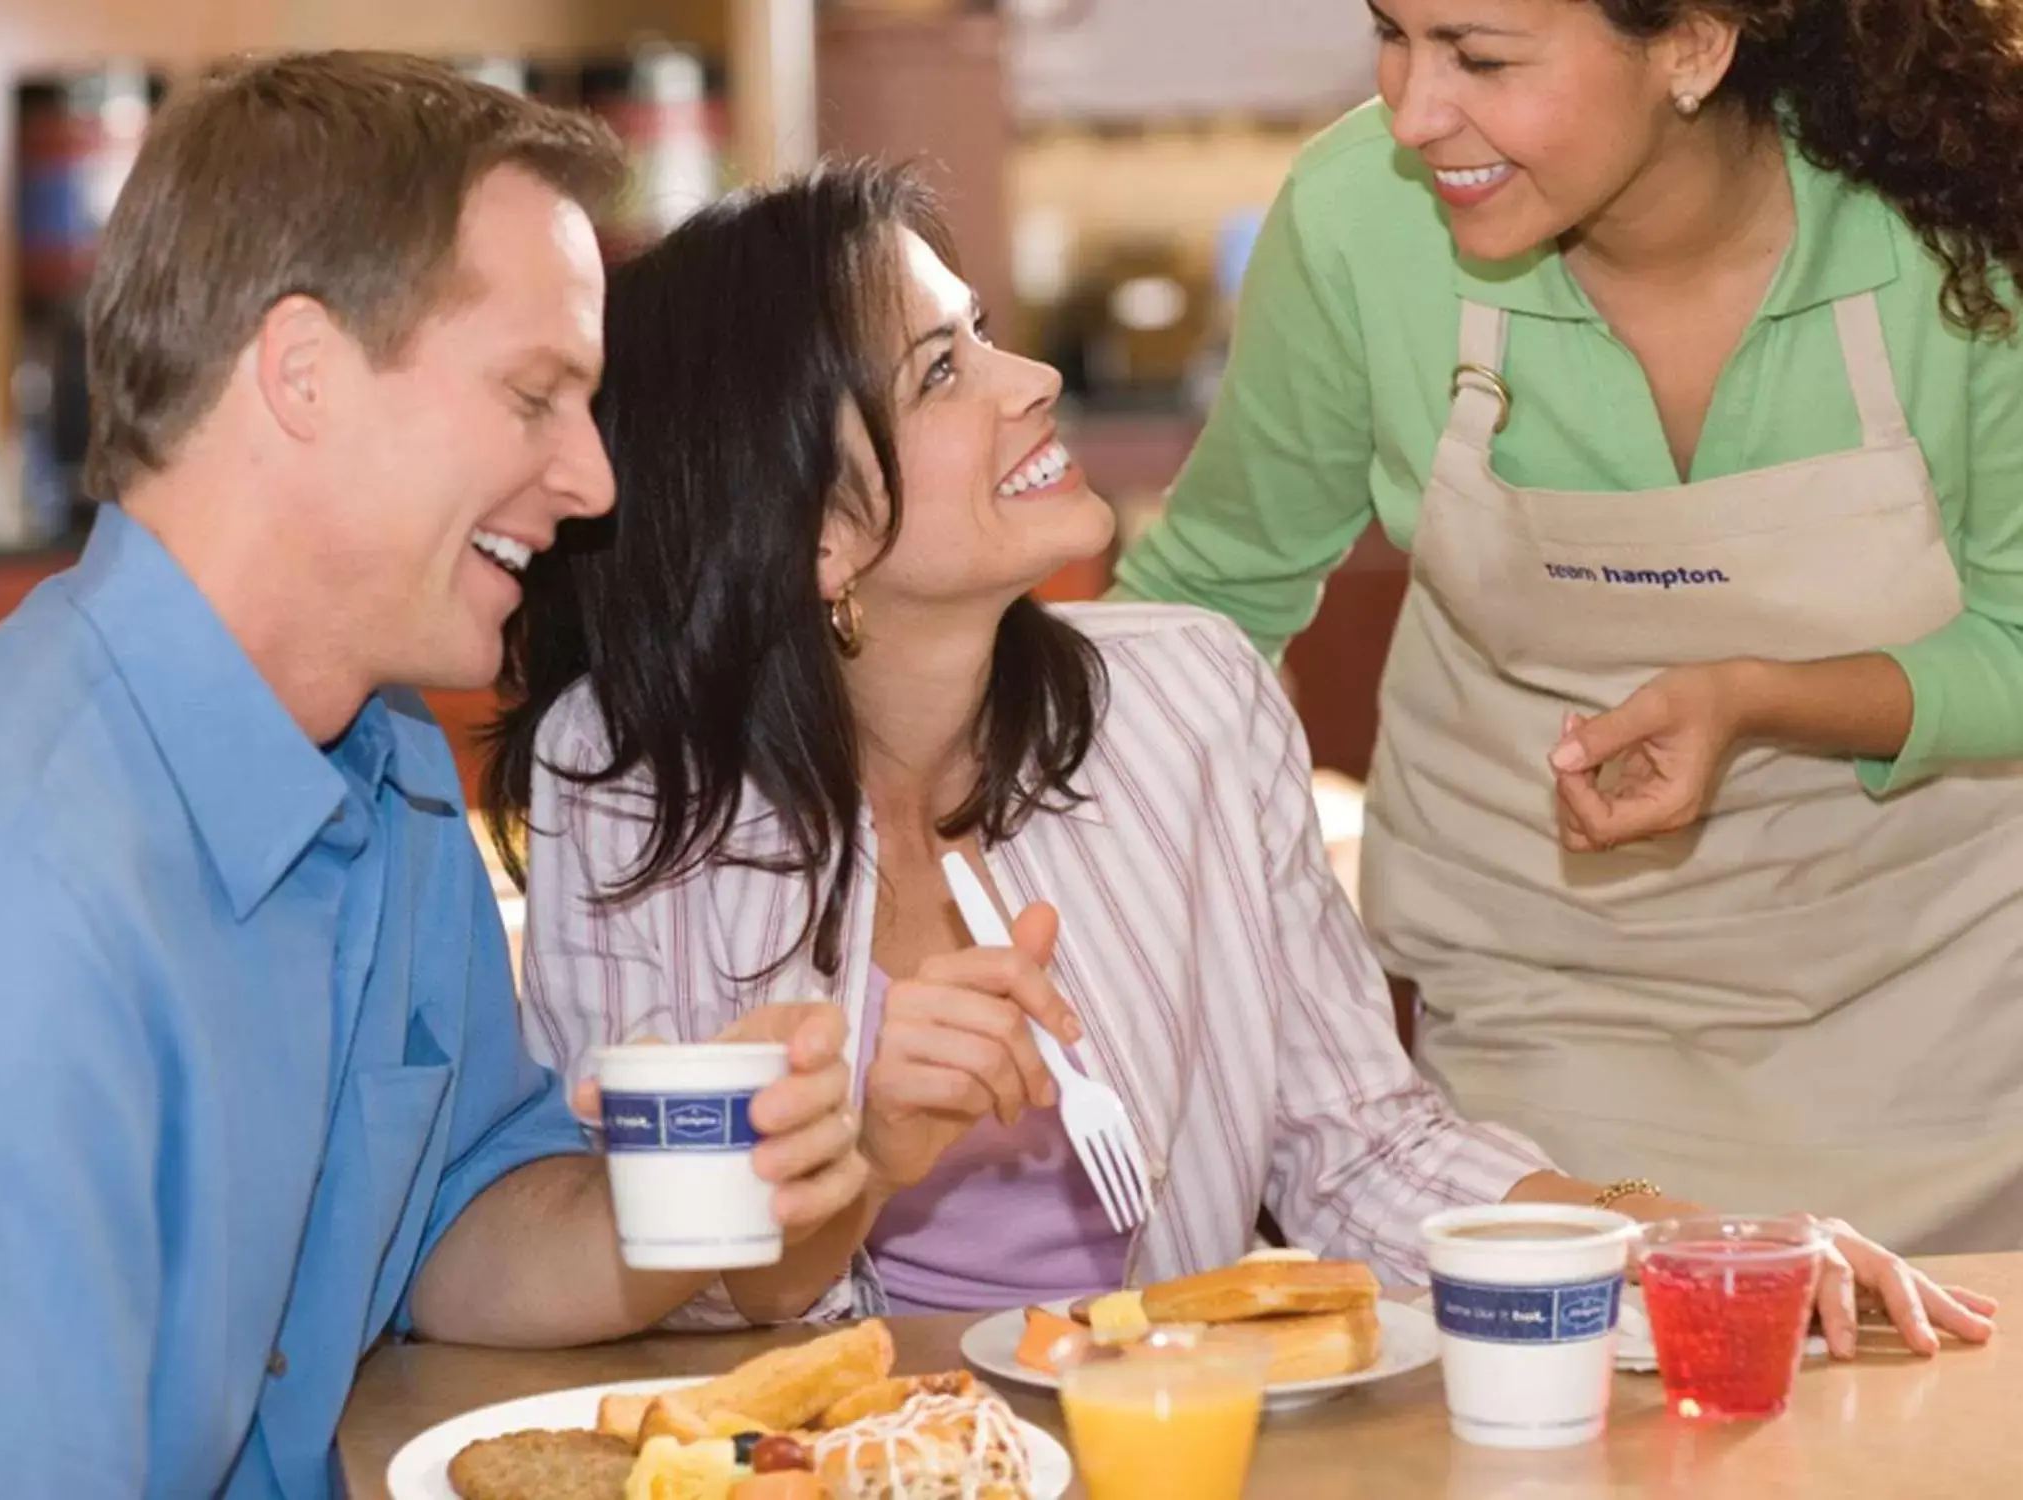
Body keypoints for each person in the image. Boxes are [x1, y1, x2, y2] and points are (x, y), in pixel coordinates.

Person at [484, 159, 1992, 1353]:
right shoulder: (623, 784)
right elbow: (655, 1290)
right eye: (942, 372)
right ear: (807, 523)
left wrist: (1675, 1241)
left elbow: (1357, 1151)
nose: (1031, 385)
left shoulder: (1186, 707)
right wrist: (865, 1153)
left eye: (987, 335)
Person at [0, 53, 865, 1500]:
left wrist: (701, 1199)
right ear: (301, 373)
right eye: (537, 394)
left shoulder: (389, 764)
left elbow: (448, 1222)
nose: (594, 480)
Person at [1114, 0, 2023, 1255]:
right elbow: (1207, 599)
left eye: (1480, 57)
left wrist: (1759, 698)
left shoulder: (1959, 224)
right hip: (1547, 1021)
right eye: (1393, 33)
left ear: (1694, 49)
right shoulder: (1362, 224)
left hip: (1954, 1021)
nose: (1415, 110)